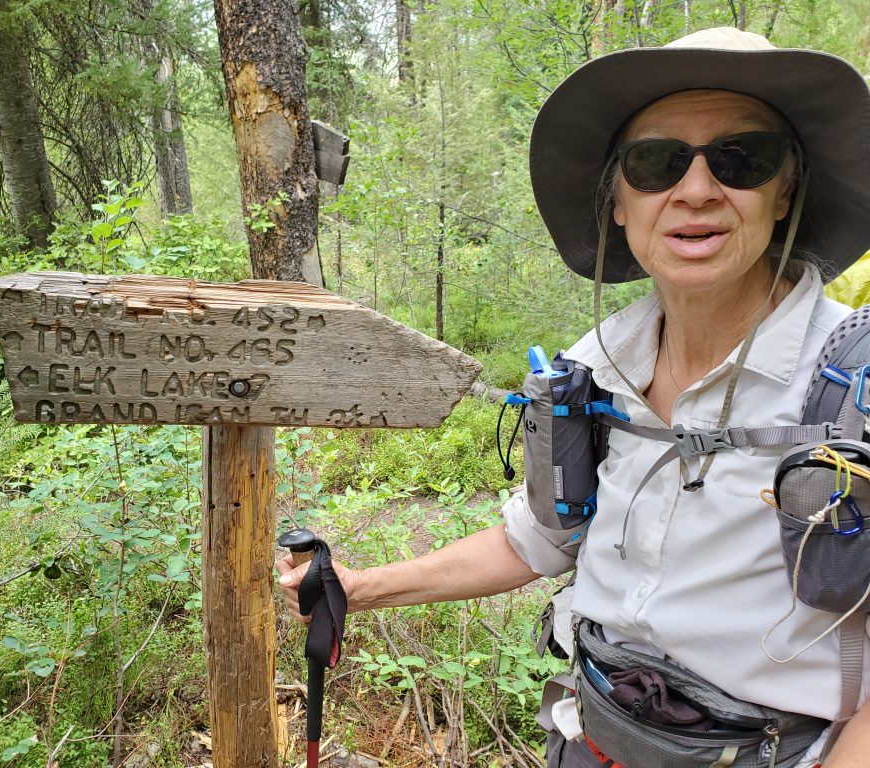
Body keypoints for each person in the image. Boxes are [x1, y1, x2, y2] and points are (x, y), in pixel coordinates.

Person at [276, 27, 870, 768]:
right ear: (618, 203)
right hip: (587, 738)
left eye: (740, 158)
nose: (694, 189)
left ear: (787, 192)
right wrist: (360, 588)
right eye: (655, 163)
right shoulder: (593, 371)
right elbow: (540, 537)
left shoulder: (853, 380)